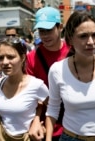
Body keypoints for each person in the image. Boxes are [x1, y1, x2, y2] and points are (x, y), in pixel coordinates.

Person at [45, 11, 95, 141]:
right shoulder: (57, 70)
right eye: (83, 36)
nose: (90, 42)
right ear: (70, 38)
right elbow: (52, 109)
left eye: (94, 35)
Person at [0, 37, 49, 141]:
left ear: (23, 57)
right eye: (1, 57)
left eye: (10, 57)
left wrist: (37, 120)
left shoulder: (36, 85)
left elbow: (53, 109)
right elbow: (0, 117)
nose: (5, 62)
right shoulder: (0, 83)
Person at [26, 6, 70, 141]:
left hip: (74, 124)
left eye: (49, 30)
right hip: (47, 127)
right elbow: (32, 95)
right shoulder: (32, 57)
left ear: (60, 27)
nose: (44, 35)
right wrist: (36, 120)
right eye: (41, 31)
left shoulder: (73, 52)